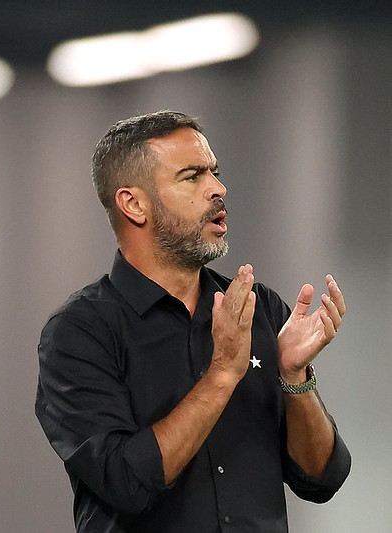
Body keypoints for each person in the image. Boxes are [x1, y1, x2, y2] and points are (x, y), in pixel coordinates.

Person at [35, 110, 351, 532]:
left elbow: (321, 479)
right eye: (192, 176)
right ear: (134, 204)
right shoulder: (79, 333)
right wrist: (221, 374)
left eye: (214, 172)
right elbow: (126, 481)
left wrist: (295, 379)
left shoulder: (257, 309)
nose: (218, 189)